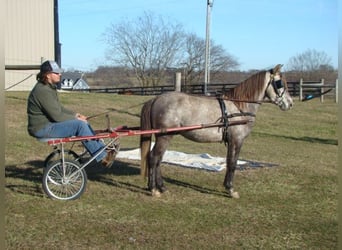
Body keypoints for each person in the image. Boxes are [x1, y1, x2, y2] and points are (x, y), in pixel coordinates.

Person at [27, 60, 114, 167]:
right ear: (48, 75)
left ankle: (102, 150)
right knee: (80, 125)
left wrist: (76, 115)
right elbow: (57, 116)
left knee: (83, 123)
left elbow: (59, 108)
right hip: (42, 128)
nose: (60, 74)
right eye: (56, 72)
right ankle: (102, 157)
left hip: (47, 125)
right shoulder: (43, 91)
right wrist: (77, 119)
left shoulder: (48, 88)